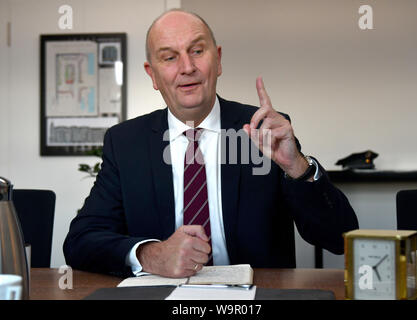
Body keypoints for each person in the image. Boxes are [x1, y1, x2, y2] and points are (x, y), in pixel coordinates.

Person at [63, 9, 358, 278]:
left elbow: (341, 238)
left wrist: (297, 167)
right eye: (169, 57)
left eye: (197, 51)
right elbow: (81, 240)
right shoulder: (126, 142)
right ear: (152, 75)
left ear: (217, 60)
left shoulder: (264, 129)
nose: (187, 67)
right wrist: (151, 255)